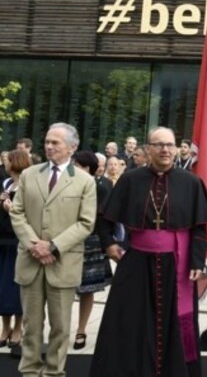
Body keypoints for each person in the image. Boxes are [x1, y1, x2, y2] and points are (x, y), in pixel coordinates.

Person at [90, 126, 207, 377]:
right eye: (159, 145)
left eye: (169, 144)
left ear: (177, 148)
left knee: (176, 325)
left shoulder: (191, 182)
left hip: (176, 264)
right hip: (136, 263)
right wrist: (109, 243)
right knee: (127, 322)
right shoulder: (130, 179)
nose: (165, 150)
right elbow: (104, 217)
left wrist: (196, 262)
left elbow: (200, 228)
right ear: (148, 149)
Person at [10, 122, 97, 376]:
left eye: (55, 142)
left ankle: (53, 372)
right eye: (47, 141)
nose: (49, 146)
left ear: (72, 147)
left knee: (60, 327)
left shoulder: (84, 181)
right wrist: (34, 244)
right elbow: (17, 212)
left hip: (63, 263)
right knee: (31, 325)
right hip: (30, 261)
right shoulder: (29, 174)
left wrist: (54, 246)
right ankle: (29, 370)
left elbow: (86, 222)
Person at [71, 151, 113, 350]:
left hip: (91, 240)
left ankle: (81, 329)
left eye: (77, 165)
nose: (73, 168)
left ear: (87, 168)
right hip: (66, 241)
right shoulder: (65, 184)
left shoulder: (102, 186)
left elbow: (103, 217)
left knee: (87, 289)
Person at [0, 150, 32, 351]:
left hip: (16, 242)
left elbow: (29, 216)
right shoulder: (6, 184)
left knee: (15, 287)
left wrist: (10, 208)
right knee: (2, 288)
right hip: (1, 240)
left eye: (8, 160)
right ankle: (5, 328)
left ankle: (18, 328)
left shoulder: (28, 186)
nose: (5, 162)